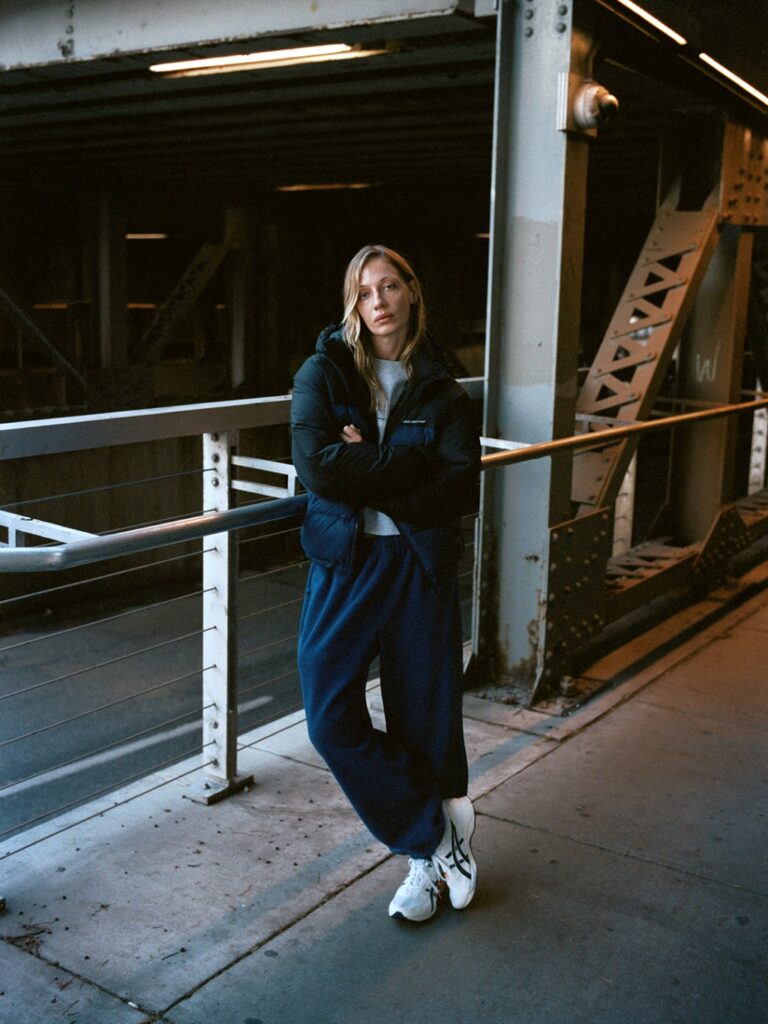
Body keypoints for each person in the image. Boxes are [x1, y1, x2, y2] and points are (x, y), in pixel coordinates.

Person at [290, 244, 480, 922]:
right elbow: (318, 467)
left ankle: (422, 867)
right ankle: (434, 832)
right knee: (329, 718)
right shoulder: (323, 373)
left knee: (424, 718)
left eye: (390, 286)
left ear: (411, 293)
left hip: (418, 566)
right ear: (353, 302)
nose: (379, 301)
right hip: (346, 565)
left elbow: (459, 484)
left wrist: (366, 462)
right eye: (365, 291)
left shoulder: (444, 388)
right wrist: (409, 464)